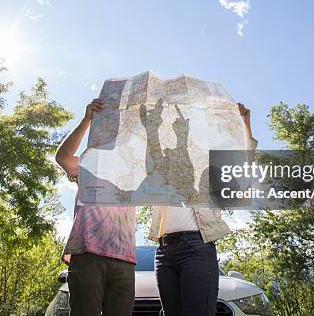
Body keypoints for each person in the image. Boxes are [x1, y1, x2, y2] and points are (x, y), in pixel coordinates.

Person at [150, 103, 257, 316]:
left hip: (197, 248)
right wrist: (153, 126)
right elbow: (150, 150)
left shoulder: (210, 173)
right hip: (164, 253)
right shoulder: (163, 174)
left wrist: (245, 125)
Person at [55, 99, 136, 316]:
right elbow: (62, 158)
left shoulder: (135, 173)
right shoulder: (88, 165)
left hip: (124, 261)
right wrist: (86, 120)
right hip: (87, 254)